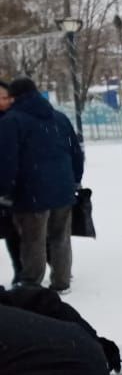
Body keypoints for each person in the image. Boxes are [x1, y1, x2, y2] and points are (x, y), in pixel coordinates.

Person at [0, 77, 83, 293]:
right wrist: (75, 179)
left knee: (32, 240)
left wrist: (5, 189)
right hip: (63, 189)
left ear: (16, 97)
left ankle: (31, 283)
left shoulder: (11, 121)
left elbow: (8, 160)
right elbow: (76, 151)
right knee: (60, 238)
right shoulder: (59, 118)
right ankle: (62, 281)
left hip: (31, 192)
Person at [0, 81, 20, 282]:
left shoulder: (15, 119)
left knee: (13, 230)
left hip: (13, 184)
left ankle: (20, 270)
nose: (6, 101)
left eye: (7, 97)